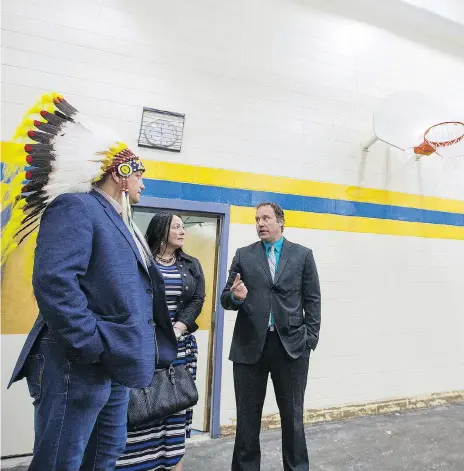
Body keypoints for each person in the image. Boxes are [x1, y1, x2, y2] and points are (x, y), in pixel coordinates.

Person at [4, 93, 177, 471]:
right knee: (61, 461)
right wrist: (92, 344)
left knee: (103, 456)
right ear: (121, 173)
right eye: (141, 174)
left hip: (111, 362)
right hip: (78, 362)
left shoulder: (119, 220)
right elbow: (54, 282)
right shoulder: (77, 207)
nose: (144, 185)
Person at [221, 202, 321, 471]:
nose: (260, 223)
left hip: (291, 348)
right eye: (256, 219)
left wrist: (310, 339)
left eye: (266, 218)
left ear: (280, 222)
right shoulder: (244, 255)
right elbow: (226, 298)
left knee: (292, 418)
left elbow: (312, 299)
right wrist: (235, 297)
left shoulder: (302, 255)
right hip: (249, 347)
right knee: (247, 420)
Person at [117, 212, 205, 471]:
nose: (182, 231)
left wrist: (179, 327)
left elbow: (197, 300)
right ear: (161, 230)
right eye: (176, 226)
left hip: (179, 349)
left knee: (174, 408)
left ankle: (172, 464)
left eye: (182, 227)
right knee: (141, 407)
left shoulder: (191, 264)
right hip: (143, 348)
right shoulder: (140, 261)